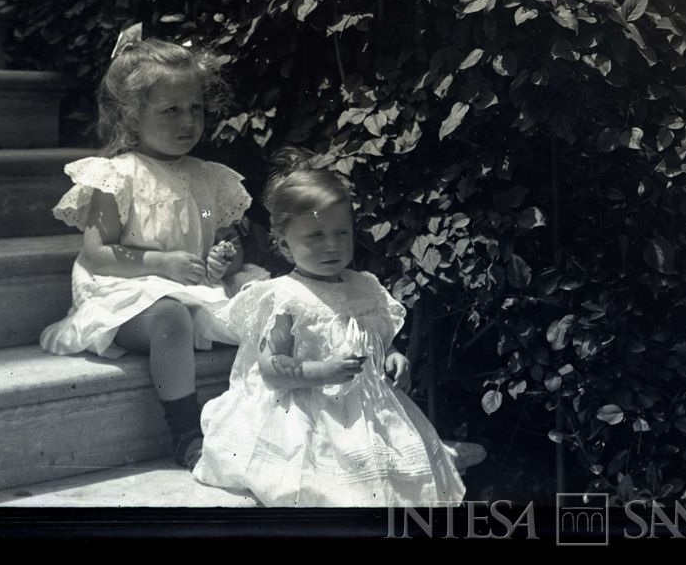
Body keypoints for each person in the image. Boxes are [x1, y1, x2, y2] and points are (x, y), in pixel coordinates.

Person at [194, 150, 478, 506]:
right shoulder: (285, 297)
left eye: (341, 232)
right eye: (315, 236)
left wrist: (392, 356)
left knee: (390, 468)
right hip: (308, 407)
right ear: (284, 244)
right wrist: (323, 371)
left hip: (364, 405)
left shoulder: (366, 287)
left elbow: (375, 337)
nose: (332, 245)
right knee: (325, 479)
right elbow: (272, 369)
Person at [39, 26, 266, 468]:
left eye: (196, 108)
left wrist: (223, 258)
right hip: (126, 295)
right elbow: (97, 254)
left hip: (193, 289)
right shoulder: (116, 177)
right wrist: (160, 263)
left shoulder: (206, 177)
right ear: (131, 116)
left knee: (268, 301)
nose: (188, 122)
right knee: (170, 317)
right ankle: (184, 429)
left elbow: (216, 235)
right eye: (171, 110)